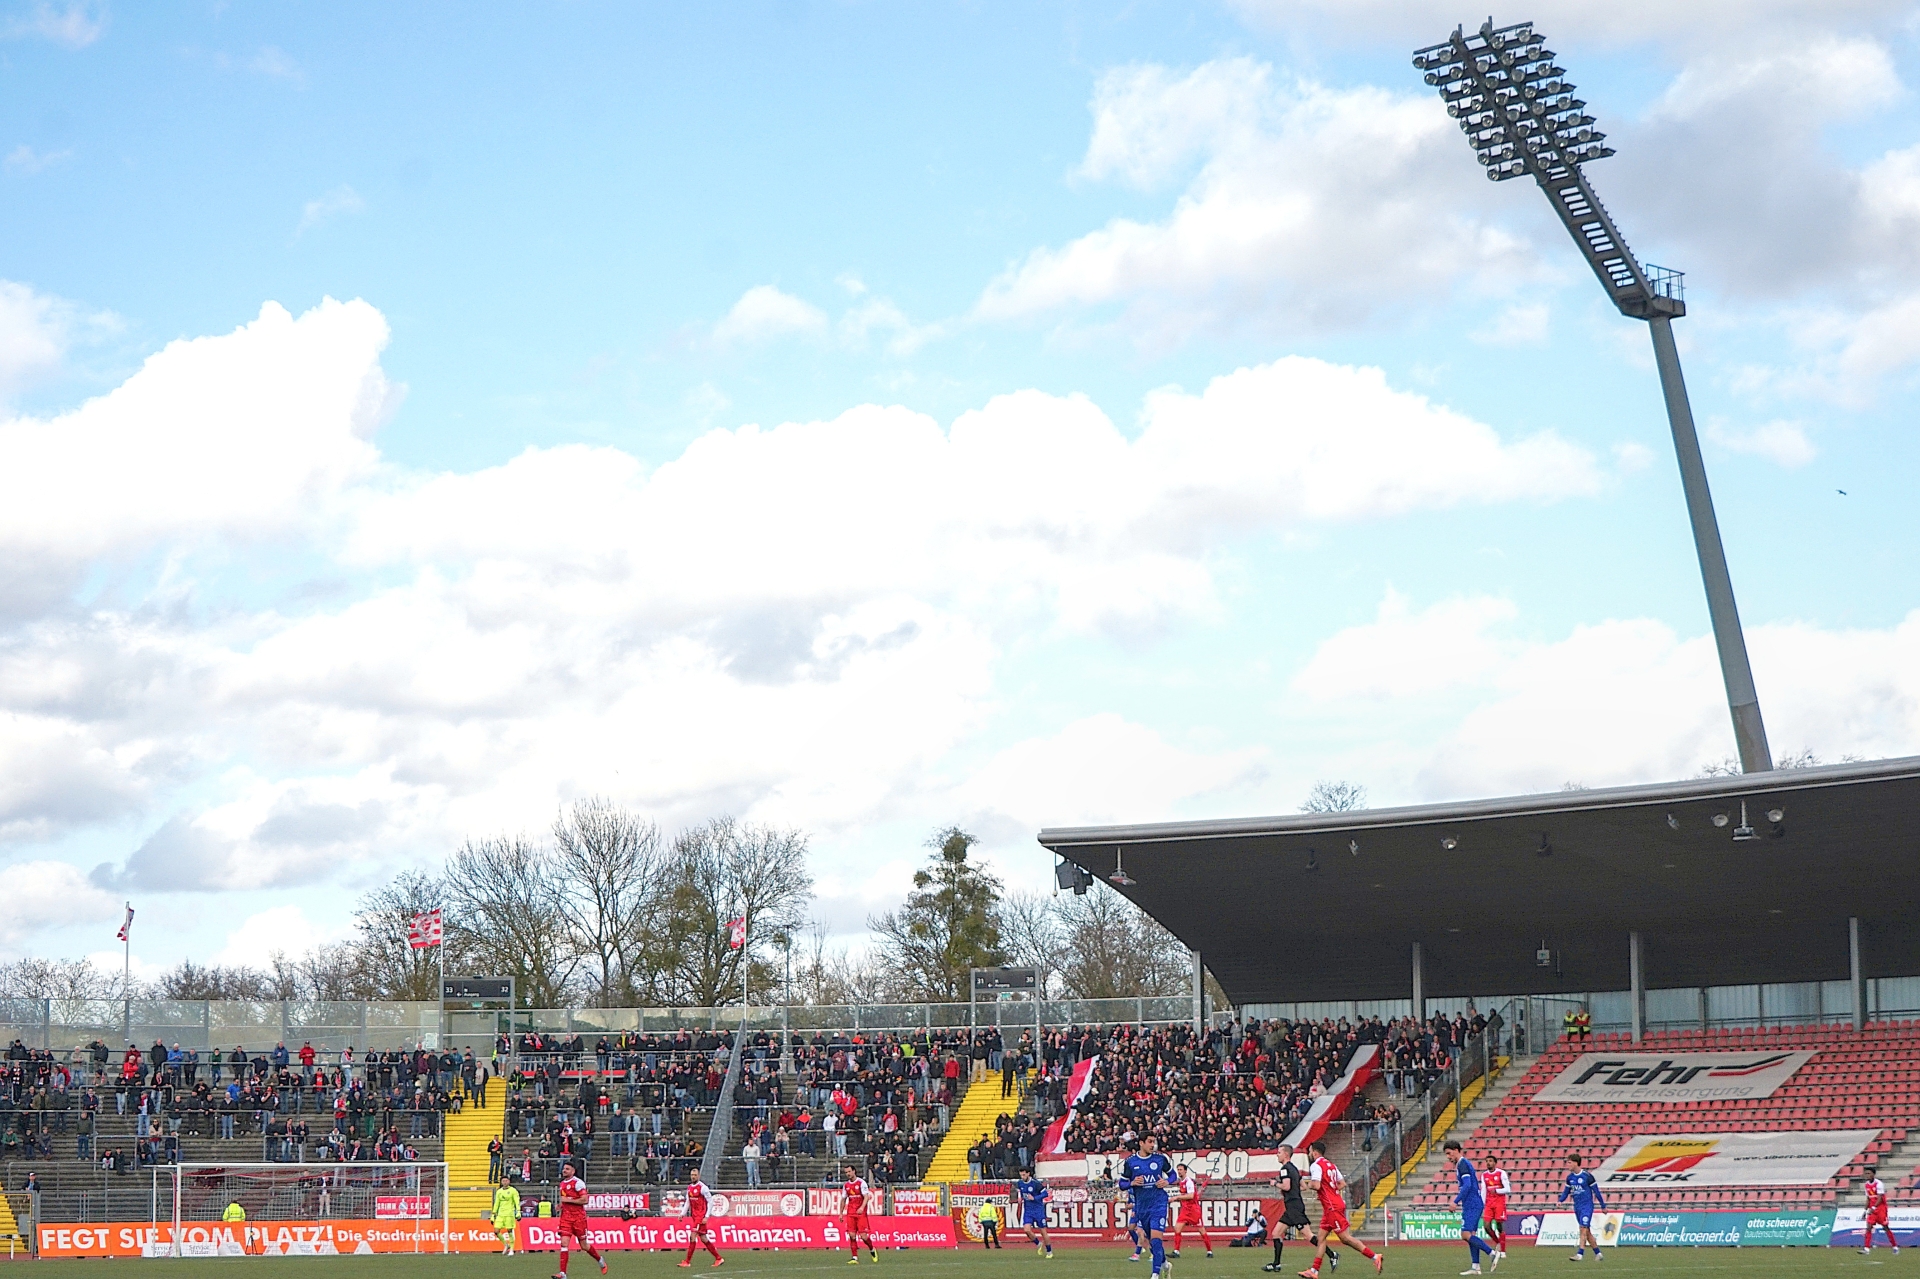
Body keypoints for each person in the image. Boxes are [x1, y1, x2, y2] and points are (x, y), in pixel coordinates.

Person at [1299, 1140, 1381, 1278]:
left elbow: (1317, 1185)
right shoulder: (1331, 1165)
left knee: (1345, 1238)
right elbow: (1342, 1183)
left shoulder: (1316, 1165)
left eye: (1310, 1151)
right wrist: (1331, 1192)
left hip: (1332, 1207)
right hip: (1333, 1204)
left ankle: (1374, 1256)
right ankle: (1314, 1271)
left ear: (1314, 1152)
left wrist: (1305, 1184)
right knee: (1321, 1238)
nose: (1309, 1154)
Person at [1263, 1144, 1332, 1275]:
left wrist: (1275, 1184)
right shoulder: (1294, 1169)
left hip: (1293, 1207)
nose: (1277, 1154)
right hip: (1294, 1206)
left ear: (1286, 1155)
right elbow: (1303, 1187)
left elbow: (1287, 1186)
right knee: (1276, 1233)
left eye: (1279, 1152)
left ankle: (1332, 1254)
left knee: (1308, 1235)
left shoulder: (1284, 1169)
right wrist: (1293, 1191)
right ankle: (1276, 1264)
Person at [1121, 1134, 1174, 1279]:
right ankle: (1165, 1265)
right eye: (1150, 1142)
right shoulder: (1131, 1162)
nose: (1153, 1145)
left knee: (1156, 1240)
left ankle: (1155, 1275)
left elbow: (1173, 1175)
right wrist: (1131, 1183)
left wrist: (1167, 1181)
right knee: (1153, 1243)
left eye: (1154, 1142)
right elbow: (1122, 1184)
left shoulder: (1160, 1159)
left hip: (1159, 1204)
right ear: (1141, 1143)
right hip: (1142, 1207)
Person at [1444, 1141, 1496, 1274]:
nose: (1448, 1157)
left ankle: (1492, 1253)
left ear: (1456, 1150)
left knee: (1465, 1234)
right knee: (1471, 1235)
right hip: (1471, 1203)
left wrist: (1455, 1201)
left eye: (1449, 1153)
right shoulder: (1462, 1164)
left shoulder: (1463, 1164)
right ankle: (1475, 1266)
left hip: (1472, 1203)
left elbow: (1467, 1185)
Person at [553, 1159, 607, 1279]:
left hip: (578, 1218)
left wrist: (569, 1200)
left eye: (567, 1169)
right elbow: (564, 1199)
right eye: (564, 1169)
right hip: (566, 1217)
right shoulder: (562, 1184)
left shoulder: (578, 1183)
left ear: (573, 1171)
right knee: (564, 1243)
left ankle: (600, 1259)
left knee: (584, 1246)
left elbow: (585, 1200)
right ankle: (563, 1273)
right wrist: (561, 1205)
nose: (564, 1171)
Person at [1558, 1153, 1604, 1261]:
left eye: (1569, 1162)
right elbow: (1566, 1192)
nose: (1567, 1165)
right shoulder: (1570, 1178)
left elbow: (1596, 1192)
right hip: (1577, 1207)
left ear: (1575, 1163)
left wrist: (1603, 1206)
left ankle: (1580, 1254)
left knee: (1583, 1228)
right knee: (1586, 1231)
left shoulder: (1587, 1176)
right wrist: (1560, 1200)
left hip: (1587, 1206)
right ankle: (1598, 1253)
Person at [678, 1175, 725, 1268]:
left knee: (692, 1236)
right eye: (691, 1175)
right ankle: (719, 1258)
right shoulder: (690, 1188)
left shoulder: (703, 1188)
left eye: (695, 1175)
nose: (693, 1177)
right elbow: (688, 1202)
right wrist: (682, 1214)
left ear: (698, 1176)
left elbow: (710, 1201)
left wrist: (706, 1216)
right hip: (695, 1217)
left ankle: (687, 1261)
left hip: (700, 1217)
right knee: (704, 1238)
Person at [1170, 1161, 1212, 1259]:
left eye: (1181, 1170)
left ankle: (1209, 1251)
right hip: (1185, 1210)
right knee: (1177, 1228)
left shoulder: (1189, 1182)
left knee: (1201, 1230)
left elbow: (1191, 1195)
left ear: (1185, 1171)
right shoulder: (1181, 1182)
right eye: (1178, 1170)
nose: (1179, 1172)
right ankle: (1176, 1251)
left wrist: (1177, 1197)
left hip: (1193, 1210)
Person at [842, 1164, 881, 1263]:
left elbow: (866, 1197)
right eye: (846, 1172)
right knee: (852, 1235)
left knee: (864, 1236)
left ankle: (872, 1249)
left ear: (854, 1171)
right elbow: (843, 1199)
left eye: (849, 1171)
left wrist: (862, 1207)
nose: (848, 1174)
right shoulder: (846, 1185)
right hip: (850, 1212)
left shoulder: (861, 1183)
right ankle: (854, 1257)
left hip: (860, 1213)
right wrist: (841, 1213)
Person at [1017, 1168, 1053, 1257]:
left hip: (1038, 1210)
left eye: (1024, 1175)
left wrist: (1035, 1198)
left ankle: (1049, 1251)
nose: (1022, 1177)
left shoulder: (1035, 1183)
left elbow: (1045, 1194)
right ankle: (1038, 1244)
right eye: (1021, 1175)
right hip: (1028, 1211)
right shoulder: (1020, 1183)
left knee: (1043, 1232)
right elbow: (1022, 1193)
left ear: (1028, 1174)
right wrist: (1020, 1198)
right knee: (1026, 1230)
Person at [1861, 1174, 1898, 1255]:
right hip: (1872, 1210)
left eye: (1869, 1173)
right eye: (1866, 1173)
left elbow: (1880, 1198)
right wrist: (1864, 1211)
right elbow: (1868, 1199)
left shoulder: (1879, 1184)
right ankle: (1866, 1249)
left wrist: (1873, 1208)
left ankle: (1895, 1246)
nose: (1867, 1175)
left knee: (1886, 1227)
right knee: (1869, 1227)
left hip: (1881, 1209)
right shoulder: (1866, 1185)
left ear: (1873, 1174)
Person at [1481, 1155, 1509, 1260]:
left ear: (1495, 1163)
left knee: (1499, 1225)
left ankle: (1503, 1250)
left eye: (1490, 1161)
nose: (1488, 1163)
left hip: (1499, 1203)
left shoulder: (1501, 1173)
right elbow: (1484, 1190)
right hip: (1489, 1204)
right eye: (1487, 1161)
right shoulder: (1484, 1175)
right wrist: (1482, 1205)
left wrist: (1497, 1191)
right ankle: (1498, 1243)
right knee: (1486, 1226)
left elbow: (1508, 1189)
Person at [492, 1179, 522, 1256]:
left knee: (509, 1231)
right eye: (503, 1181)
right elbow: (496, 1203)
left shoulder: (513, 1191)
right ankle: (506, 1244)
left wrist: (518, 1212)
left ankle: (511, 1249)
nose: (505, 1182)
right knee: (496, 1231)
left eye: (506, 1181)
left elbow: (516, 1202)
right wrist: (493, 1215)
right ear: (501, 1182)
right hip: (500, 1214)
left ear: (509, 1182)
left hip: (509, 1214)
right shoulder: (499, 1191)